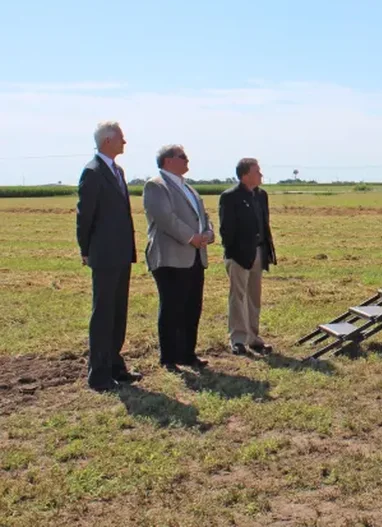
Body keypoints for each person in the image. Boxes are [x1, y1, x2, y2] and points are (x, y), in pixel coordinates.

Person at [76, 121, 141, 391]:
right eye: (121, 139)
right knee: (103, 313)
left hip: (121, 252)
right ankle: (99, 373)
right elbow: (85, 216)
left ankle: (115, 365)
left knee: (118, 311)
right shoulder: (92, 172)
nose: (124, 142)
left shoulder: (117, 171)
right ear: (107, 142)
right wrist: (86, 250)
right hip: (104, 254)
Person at [143, 145, 214, 370]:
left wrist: (209, 233)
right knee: (172, 307)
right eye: (182, 156)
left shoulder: (189, 188)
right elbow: (165, 218)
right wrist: (191, 237)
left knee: (192, 307)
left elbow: (203, 215)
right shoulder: (156, 185)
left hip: (194, 256)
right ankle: (169, 357)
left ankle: (187, 354)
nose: (187, 159)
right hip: (170, 257)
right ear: (168, 161)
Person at [219, 158, 277, 355]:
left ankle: (253, 337)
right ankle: (238, 339)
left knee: (254, 297)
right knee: (238, 297)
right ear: (245, 175)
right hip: (238, 255)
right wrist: (235, 253)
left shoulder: (261, 195)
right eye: (257, 171)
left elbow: (264, 223)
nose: (261, 174)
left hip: (258, 252)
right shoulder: (230, 197)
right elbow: (226, 230)